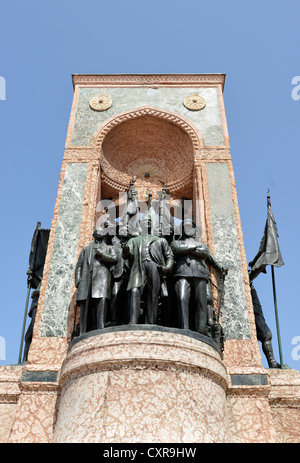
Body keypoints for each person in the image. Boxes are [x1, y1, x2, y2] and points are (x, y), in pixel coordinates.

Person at [171, 219, 226, 335]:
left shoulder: (202, 245)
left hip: (200, 274)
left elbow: (206, 253)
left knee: (201, 303)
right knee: (181, 299)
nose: (188, 229)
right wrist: (194, 249)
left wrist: (187, 249)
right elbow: (176, 249)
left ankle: (201, 331)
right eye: (185, 226)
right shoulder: (177, 243)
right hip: (182, 273)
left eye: (191, 227)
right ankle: (184, 329)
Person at [122, 214, 174, 325]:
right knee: (134, 290)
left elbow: (169, 256)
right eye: (145, 221)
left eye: (149, 221)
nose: (147, 223)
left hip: (155, 267)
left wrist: (167, 268)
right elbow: (127, 254)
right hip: (138, 267)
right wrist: (126, 250)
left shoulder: (160, 241)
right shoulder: (133, 240)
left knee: (153, 295)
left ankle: (150, 322)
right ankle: (133, 320)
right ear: (140, 224)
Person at [75, 225, 118, 335]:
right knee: (85, 304)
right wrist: (78, 280)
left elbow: (114, 259)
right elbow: (79, 265)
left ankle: (101, 327)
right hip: (87, 278)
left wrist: (102, 254)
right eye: (97, 231)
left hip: (102, 278)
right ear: (93, 234)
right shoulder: (86, 249)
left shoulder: (109, 248)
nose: (99, 233)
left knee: (102, 301)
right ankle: (82, 332)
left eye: (101, 232)